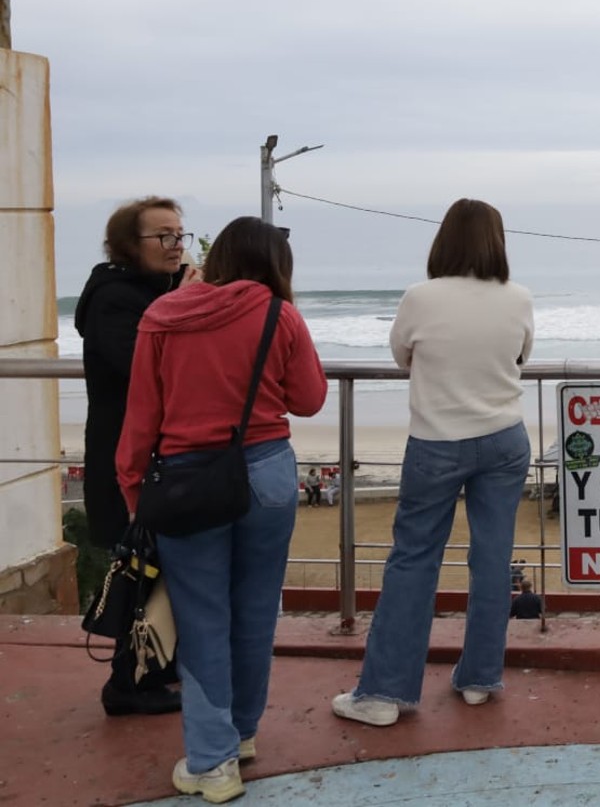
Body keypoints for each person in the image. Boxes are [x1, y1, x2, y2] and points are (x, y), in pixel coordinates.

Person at [116, 217, 327, 804]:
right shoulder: (276, 313)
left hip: (187, 483)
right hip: (265, 475)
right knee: (256, 610)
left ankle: (211, 763)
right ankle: (242, 734)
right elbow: (309, 399)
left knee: (202, 617)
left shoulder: (163, 318)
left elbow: (141, 419)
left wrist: (135, 491)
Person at [333, 199, 535, 727]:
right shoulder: (517, 298)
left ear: (443, 240)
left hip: (437, 442)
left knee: (414, 560)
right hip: (504, 439)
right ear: (497, 241)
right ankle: (479, 677)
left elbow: (402, 356)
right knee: (493, 560)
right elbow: (521, 358)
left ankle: (383, 693)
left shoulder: (420, 298)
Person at [74, 195, 200, 717]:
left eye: (180, 235)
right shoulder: (114, 298)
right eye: (164, 236)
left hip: (154, 454)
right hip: (123, 458)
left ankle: (155, 673)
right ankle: (126, 685)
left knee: (160, 568)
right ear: (131, 245)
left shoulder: (154, 290)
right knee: (137, 569)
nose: (176, 246)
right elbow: (146, 366)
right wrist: (186, 302)